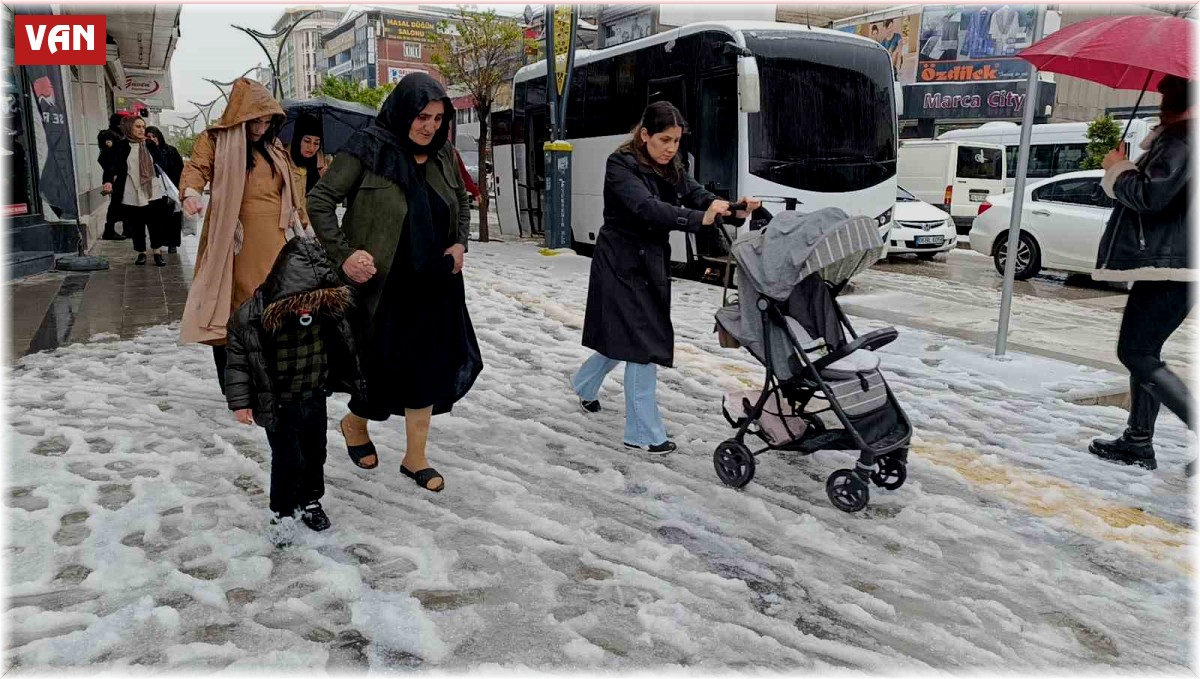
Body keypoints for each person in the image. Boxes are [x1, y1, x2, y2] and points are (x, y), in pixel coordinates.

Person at [308, 72, 482, 492]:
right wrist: (345, 254)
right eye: (422, 117)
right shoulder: (367, 149)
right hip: (383, 286)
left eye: (438, 119)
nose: (430, 127)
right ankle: (355, 422)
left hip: (435, 282)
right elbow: (320, 201)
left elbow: (461, 200)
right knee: (381, 367)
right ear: (404, 111)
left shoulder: (442, 153)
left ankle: (415, 457)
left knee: (428, 368)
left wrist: (460, 243)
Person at [573, 101, 761, 454]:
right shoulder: (620, 165)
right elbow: (646, 207)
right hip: (620, 263)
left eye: (676, 140)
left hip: (650, 262)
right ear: (645, 135)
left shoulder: (671, 164)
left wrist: (733, 208)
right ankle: (642, 433)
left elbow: (696, 193)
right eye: (664, 140)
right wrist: (698, 219)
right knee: (641, 344)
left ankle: (583, 384)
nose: (671, 148)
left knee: (626, 337)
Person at [225, 237, 367, 547]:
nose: (305, 307)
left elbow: (348, 338)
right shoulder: (253, 316)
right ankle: (282, 511)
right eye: (298, 300)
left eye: (312, 299)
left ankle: (310, 500)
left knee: (315, 453)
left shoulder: (327, 311)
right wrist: (240, 402)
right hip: (279, 403)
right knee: (288, 458)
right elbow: (237, 361)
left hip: (313, 396)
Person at [1088, 74, 1194, 472]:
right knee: (1144, 353)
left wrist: (1119, 169)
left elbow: (1151, 196)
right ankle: (1137, 441)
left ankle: (1139, 441)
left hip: (1172, 267)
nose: (1160, 102)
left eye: (1166, 95)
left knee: (1136, 352)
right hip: (1172, 265)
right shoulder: (1177, 138)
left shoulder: (1183, 139)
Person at [179, 78, 310, 395]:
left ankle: (267, 378)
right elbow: (197, 168)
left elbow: (292, 193)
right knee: (234, 309)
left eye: (267, 122)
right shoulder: (215, 139)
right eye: (255, 121)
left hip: (277, 240)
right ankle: (236, 385)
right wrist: (191, 193)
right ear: (240, 115)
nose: (261, 128)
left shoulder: (274, 147)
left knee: (273, 308)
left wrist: (305, 227)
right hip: (235, 239)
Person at [102, 115, 168, 266]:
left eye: (143, 127)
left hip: (152, 189)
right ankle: (141, 252)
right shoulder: (121, 146)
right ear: (128, 127)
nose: (141, 130)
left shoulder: (149, 144)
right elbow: (111, 165)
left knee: (155, 223)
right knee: (136, 224)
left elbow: (161, 162)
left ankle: (157, 252)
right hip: (131, 189)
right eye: (138, 126)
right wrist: (108, 181)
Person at [146, 125, 185, 254]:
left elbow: (180, 169)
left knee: (173, 217)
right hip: (154, 190)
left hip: (171, 188)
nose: (152, 139)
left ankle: (173, 243)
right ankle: (158, 243)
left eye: (154, 136)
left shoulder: (170, 151)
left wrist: (180, 187)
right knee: (157, 218)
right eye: (149, 137)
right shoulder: (145, 153)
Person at [97, 113, 128, 241]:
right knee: (116, 202)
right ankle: (109, 231)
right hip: (114, 175)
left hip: (119, 174)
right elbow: (108, 158)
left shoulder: (119, 135)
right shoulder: (110, 135)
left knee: (124, 201)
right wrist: (111, 177)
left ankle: (127, 229)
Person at [290, 113, 327, 195]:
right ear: (298, 140)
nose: (311, 148)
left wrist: (325, 181)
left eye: (316, 143)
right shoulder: (283, 163)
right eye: (307, 141)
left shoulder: (322, 165)